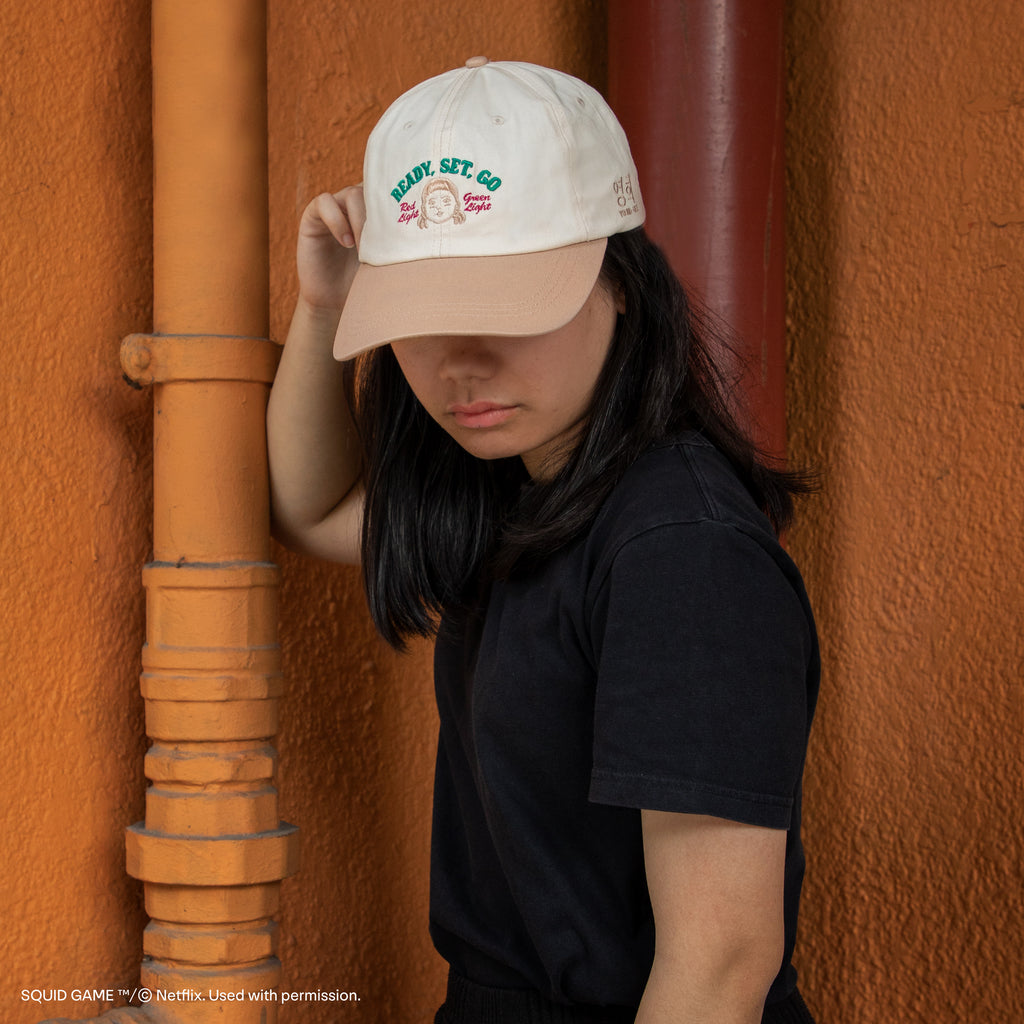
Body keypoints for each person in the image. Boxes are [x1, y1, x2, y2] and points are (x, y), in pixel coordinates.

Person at [267, 57, 820, 1024]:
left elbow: (719, 968)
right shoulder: (516, 495)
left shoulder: (681, 554)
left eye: (505, 309)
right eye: (422, 316)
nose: (461, 363)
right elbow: (311, 510)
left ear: (619, 285)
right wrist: (325, 309)